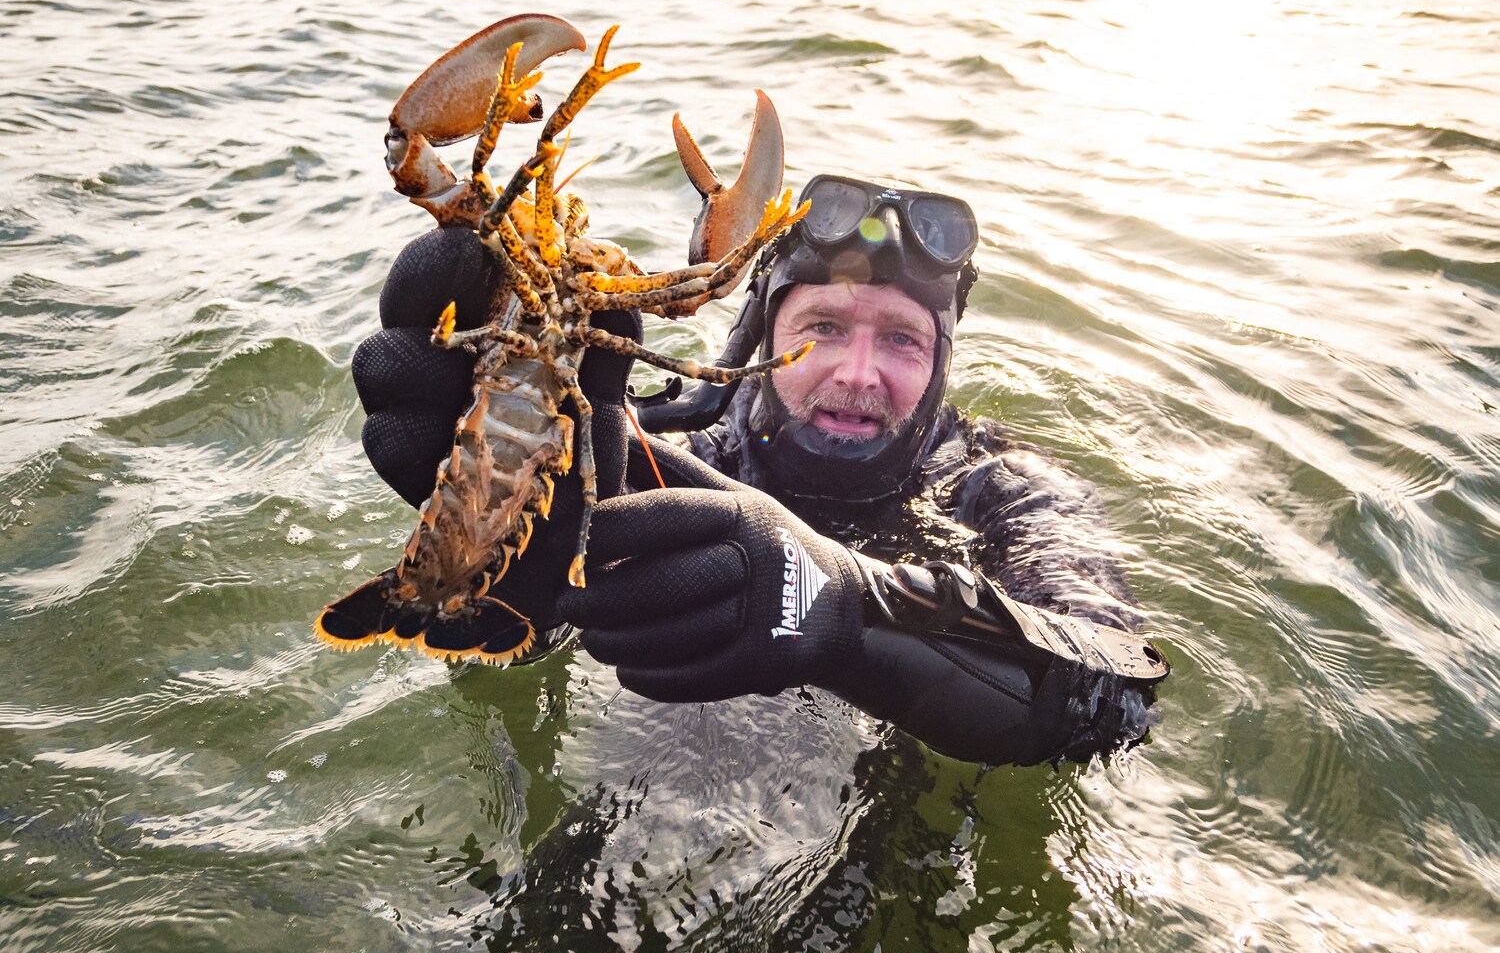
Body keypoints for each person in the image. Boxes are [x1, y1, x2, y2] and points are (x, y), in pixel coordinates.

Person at [352, 174, 1167, 766]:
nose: (855, 372)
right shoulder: (671, 455)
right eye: (821, 326)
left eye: (902, 340)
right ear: (762, 333)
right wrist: (501, 543)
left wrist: (846, 606)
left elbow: (1117, 695)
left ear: (943, 360)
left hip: (881, 809)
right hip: (657, 772)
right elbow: (545, 638)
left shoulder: (1006, 490)